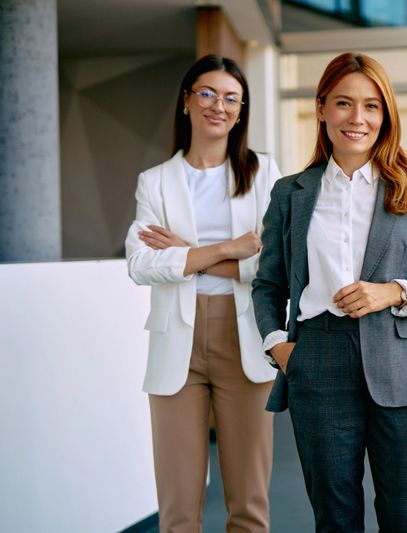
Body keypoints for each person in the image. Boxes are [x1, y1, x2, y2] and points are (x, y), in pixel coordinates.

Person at [251, 52, 407, 532]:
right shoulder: (291, 193)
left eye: (371, 105)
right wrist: (278, 347)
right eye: (344, 103)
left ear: (385, 114)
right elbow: (268, 283)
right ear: (322, 108)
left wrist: (393, 291)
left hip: (402, 360)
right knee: (335, 519)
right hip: (317, 360)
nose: (357, 118)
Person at [125, 54, 281, 532]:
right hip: (178, 345)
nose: (220, 105)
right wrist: (231, 248)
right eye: (208, 93)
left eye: (232, 98)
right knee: (177, 511)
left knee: (249, 506)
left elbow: (276, 261)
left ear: (241, 110)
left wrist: (192, 254)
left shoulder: (264, 173)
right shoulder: (155, 182)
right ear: (187, 101)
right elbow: (142, 264)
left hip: (246, 340)